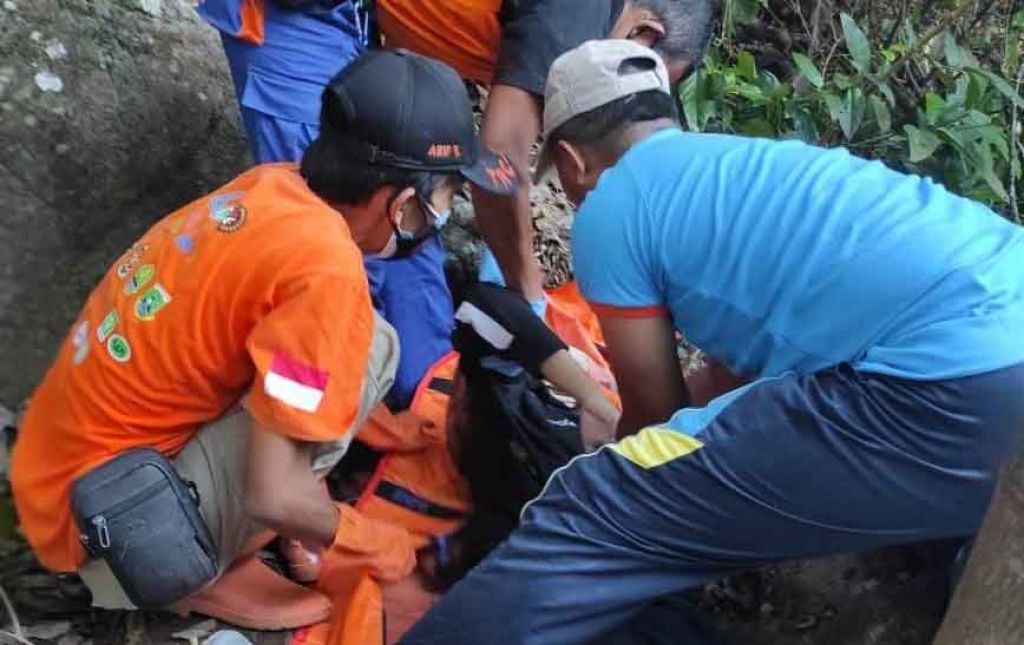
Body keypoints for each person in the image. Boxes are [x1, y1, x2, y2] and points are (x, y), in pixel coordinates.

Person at [400, 40, 1024, 644]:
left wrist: (603, 443)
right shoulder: (745, 171)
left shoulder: (614, 202)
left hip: (953, 380)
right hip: (994, 342)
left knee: (600, 504)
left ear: (570, 162)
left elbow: (654, 419)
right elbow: (736, 369)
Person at [10, 49, 516, 630]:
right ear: (401, 205)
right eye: (446, 196)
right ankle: (204, 573)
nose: (444, 213)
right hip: (107, 525)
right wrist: (380, 544)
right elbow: (272, 494)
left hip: (58, 469)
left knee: (368, 344)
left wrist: (384, 428)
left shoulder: (275, 187)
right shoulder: (326, 273)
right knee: (352, 358)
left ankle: (228, 533)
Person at [196, 0, 716, 407]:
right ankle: (300, 432)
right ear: (644, 34)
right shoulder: (581, 9)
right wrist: (526, 297)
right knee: (345, 241)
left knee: (415, 296)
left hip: (366, 25)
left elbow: (507, 147)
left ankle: (404, 407)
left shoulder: (570, 24)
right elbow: (497, 162)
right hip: (302, 14)